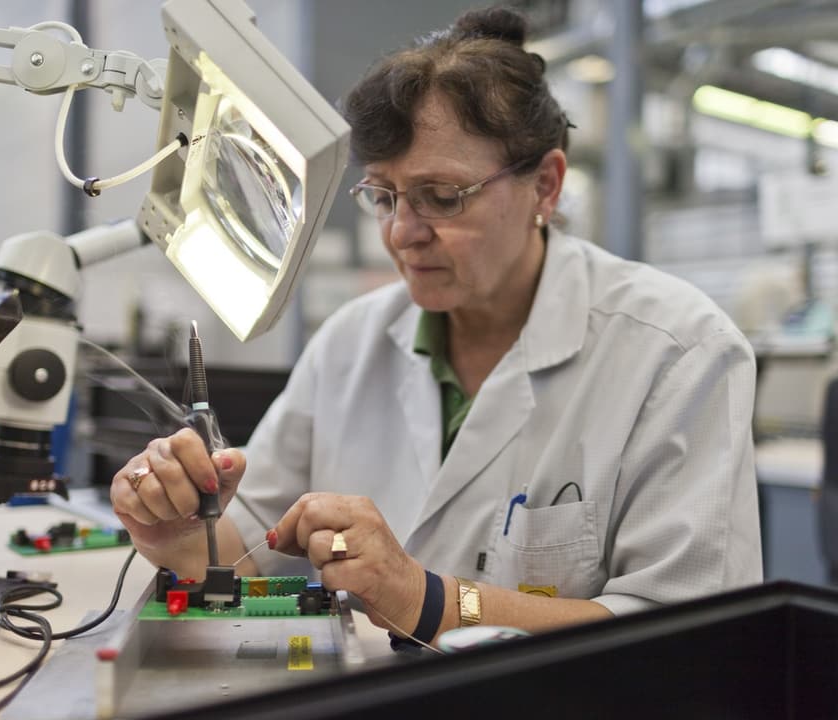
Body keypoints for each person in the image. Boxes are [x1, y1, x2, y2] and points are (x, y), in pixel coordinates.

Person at [111, 5, 762, 648]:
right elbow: (250, 553)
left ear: (545, 186)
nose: (402, 232)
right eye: (384, 196)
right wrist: (176, 537)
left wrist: (427, 601)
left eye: (441, 197)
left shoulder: (678, 352)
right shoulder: (349, 344)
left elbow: (688, 639)